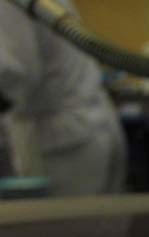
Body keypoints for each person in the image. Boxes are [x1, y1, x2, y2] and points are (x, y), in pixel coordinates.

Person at [0, 0, 126, 195]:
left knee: (65, 224)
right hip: (89, 126)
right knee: (99, 223)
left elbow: (13, 75)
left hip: (62, 143)